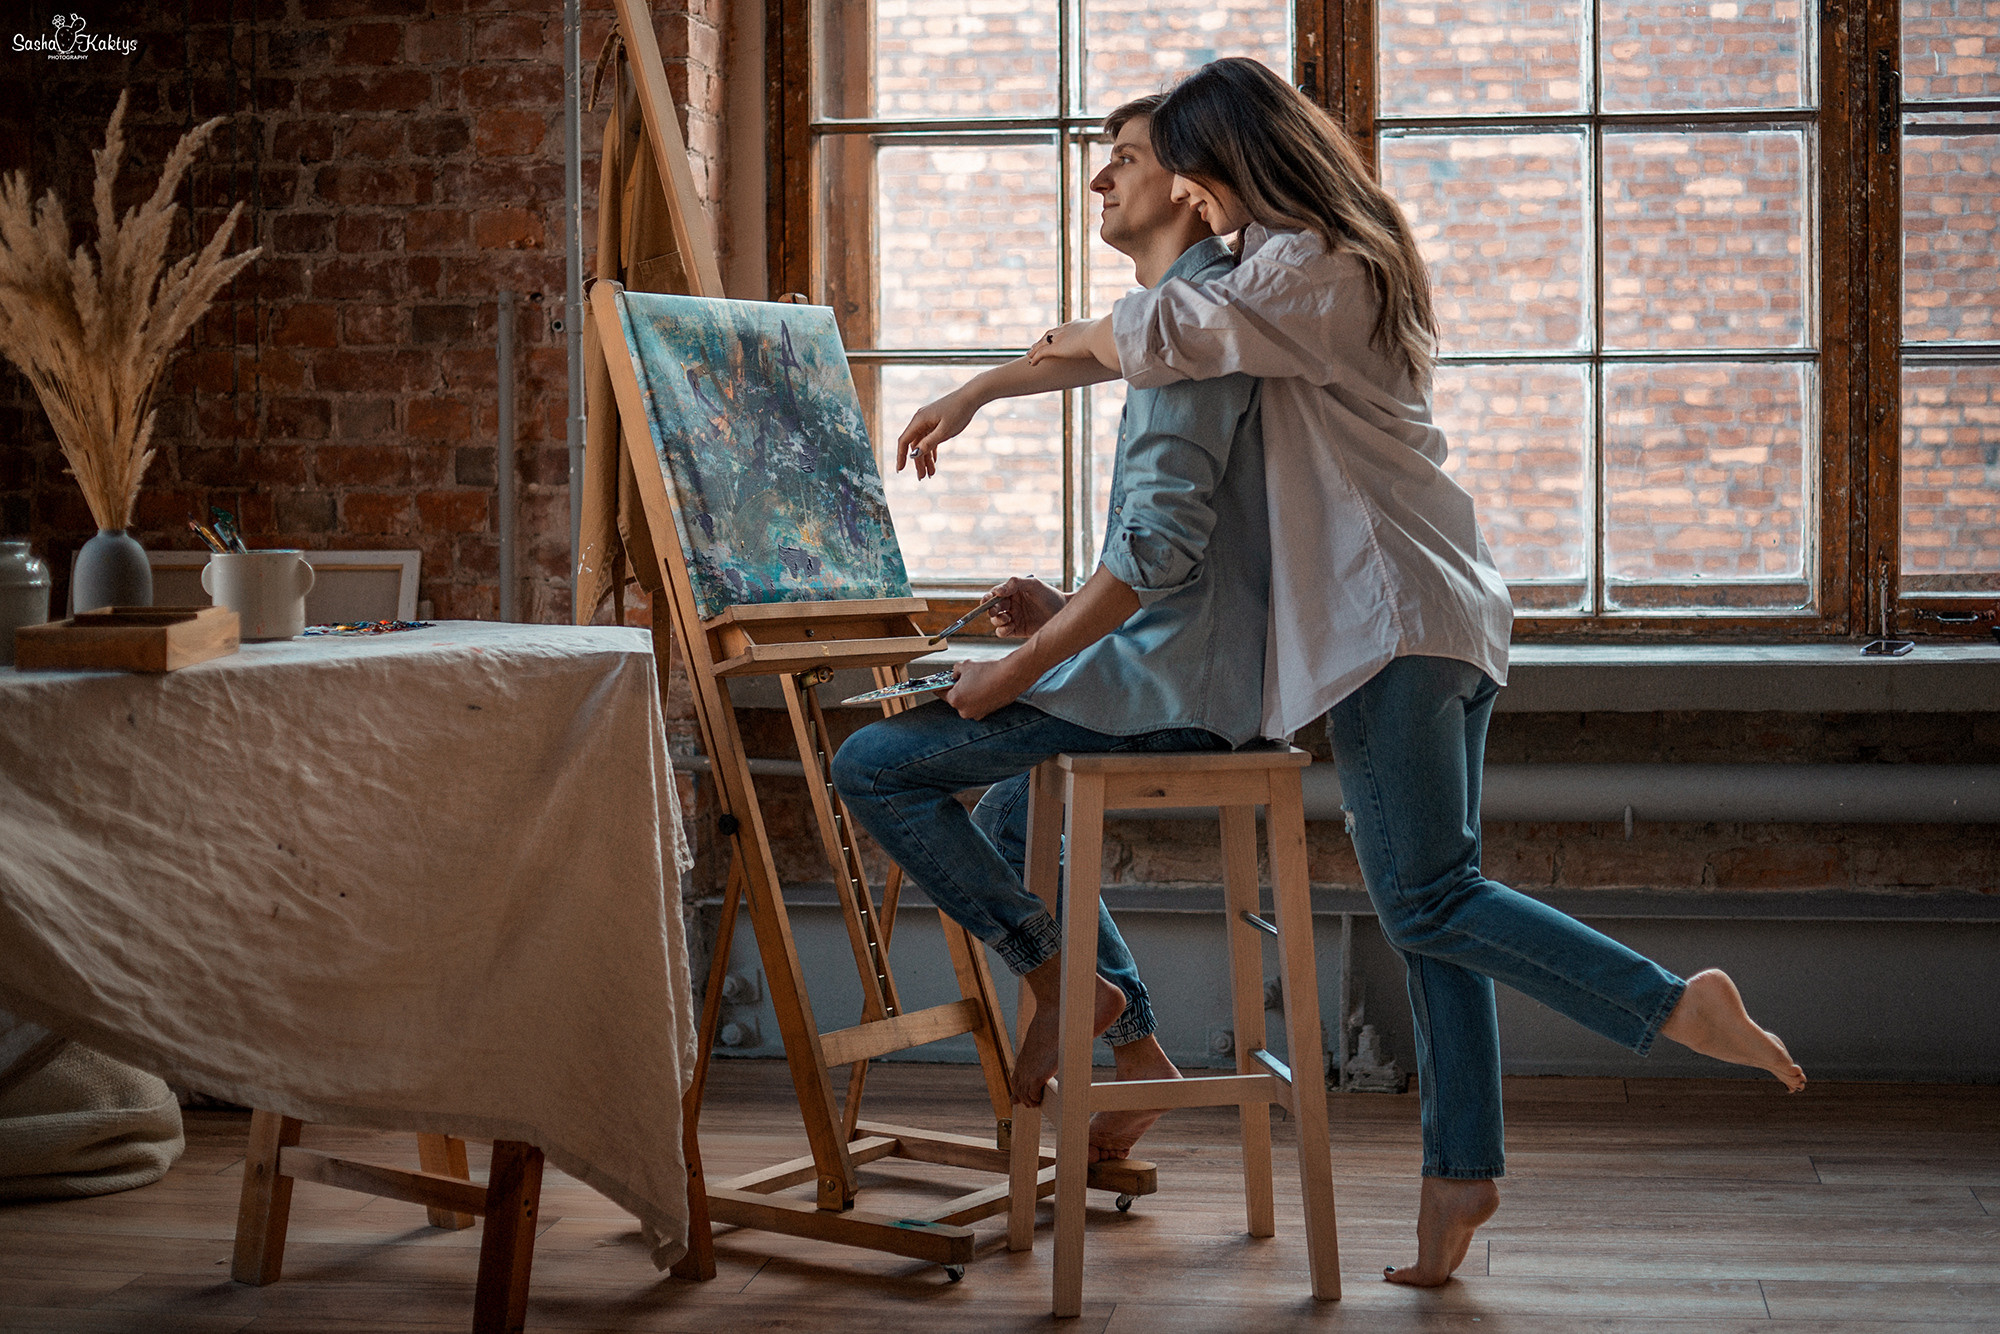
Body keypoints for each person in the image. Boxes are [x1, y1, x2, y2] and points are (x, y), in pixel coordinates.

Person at [1013, 57, 1809, 1286]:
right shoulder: (1349, 254)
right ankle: (1458, 1178)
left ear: (1235, 163)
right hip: (1443, 617)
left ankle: (1666, 1001)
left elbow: (1155, 331)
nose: (1191, 202)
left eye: (1195, 174)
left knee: (1428, 903)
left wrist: (980, 384)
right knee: (1444, 908)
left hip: (1390, 626)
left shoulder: (1299, 270)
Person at [832, 95, 1267, 1163]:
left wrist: (1015, 665)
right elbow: (1167, 549)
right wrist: (1062, 601)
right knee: (1013, 814)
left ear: (1187, 182)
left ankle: (1068, 990)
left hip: (1182, 689)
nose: (1097, 181)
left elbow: (1158, 553)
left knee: (874, 764)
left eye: (1121, 159)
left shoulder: (1192, 322)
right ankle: (1133, 1051)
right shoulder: (1190, 309)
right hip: (1184, 665)